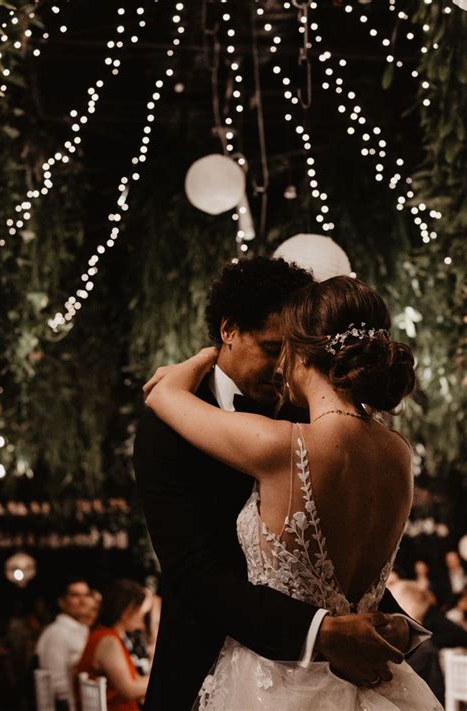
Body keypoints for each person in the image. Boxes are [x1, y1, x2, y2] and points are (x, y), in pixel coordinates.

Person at [134, 258, 428, 710]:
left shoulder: (305, 421)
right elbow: (192, 570)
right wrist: (321, 631)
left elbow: (326, 561)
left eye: (289, 350)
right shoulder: (169, 426)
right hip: (207, 669)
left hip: (332, 676)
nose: (281, 367)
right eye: (273, 348)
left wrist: (396, 624)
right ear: (229, 330)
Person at [74, 579, 150, 711]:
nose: (140, 618)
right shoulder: (108, 640)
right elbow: (129, 689)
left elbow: (134, 682)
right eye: (138, 611)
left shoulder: (103, 635)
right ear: (126, 611)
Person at [36, 576, 90, 710]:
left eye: (86, 595)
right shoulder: (57, 633)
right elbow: (57, 684)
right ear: (62, 602)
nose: (83, 601)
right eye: (75, 595)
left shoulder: (82, 629)